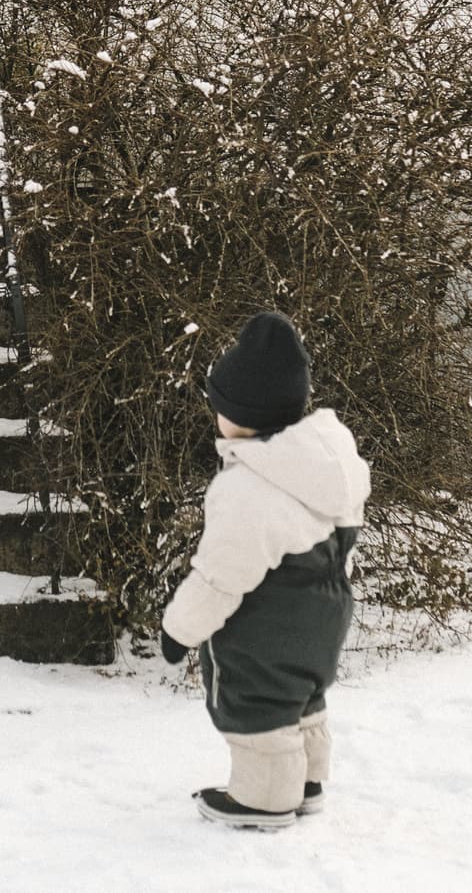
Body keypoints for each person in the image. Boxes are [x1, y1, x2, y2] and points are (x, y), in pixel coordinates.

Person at [158, 312, 372, 830]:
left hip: (265, 622)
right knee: (301, 693)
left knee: (256, 700)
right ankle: (308, 780)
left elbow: (219, 577)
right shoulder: (320, 463)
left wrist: (178, 630)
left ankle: (266, 797)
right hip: (325, 611)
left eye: (219, 409)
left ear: (240, 416)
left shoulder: (248, 487)